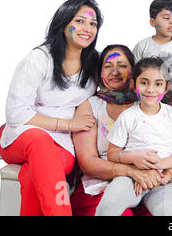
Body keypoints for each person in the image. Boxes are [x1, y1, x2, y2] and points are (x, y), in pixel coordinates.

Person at [0, 0, 102, 215]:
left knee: (32, 174)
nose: (87, 28)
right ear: (63, 23)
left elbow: (118, 81)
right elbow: (16, 113)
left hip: (62, 146)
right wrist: (69, 124)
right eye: (80, 21)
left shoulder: (94, 64)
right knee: (40, 141)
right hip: (22, 135)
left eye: (93, 24)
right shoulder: (38, 59)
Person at [95, 57, 172, 216]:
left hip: (162, 181)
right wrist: (135, 159)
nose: (150, 89)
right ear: (133, 84)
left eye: (158, 84)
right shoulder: (127, 116)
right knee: (107, 207)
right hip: (130, 177)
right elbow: (113, 154)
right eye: (144, 82)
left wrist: (161, 166)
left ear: (166, 87)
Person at [70, 44, 155, 216]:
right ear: (100, 73)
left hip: (141, 185)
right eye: (108, 66)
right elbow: (87, 162)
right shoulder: (90, 106)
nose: (114, 72)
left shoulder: (147, 104)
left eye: (122, 66)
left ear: (133, 71)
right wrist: (131, 171)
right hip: (98, 186)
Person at [132, 0, 172, 107]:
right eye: (166, 18)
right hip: (148, 92)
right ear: (153, 22)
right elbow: (134, 73)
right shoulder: (143, 46)